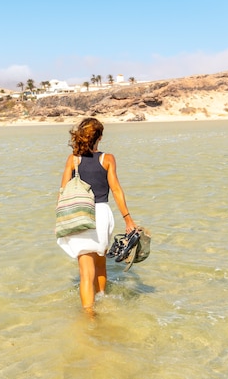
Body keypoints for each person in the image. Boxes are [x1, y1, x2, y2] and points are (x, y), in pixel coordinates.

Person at [57, 117, 136, 312]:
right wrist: (128, 219)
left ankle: (89, 315)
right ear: (99, 137)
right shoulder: (107, 158)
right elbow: (116, 190)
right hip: (101, 214)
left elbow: (63, 191)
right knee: (101, 263)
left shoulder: (72, 160)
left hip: (80, 213)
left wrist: (60, 220)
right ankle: (102, 299)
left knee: (86, 272)